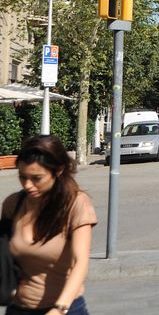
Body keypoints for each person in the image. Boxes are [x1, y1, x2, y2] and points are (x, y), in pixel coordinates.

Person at [4, 135, 97, 315]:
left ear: (58, 171)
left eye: (36, 178)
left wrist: (59, 308)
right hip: (18, 309)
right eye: (22, 177)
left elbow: (81, 262)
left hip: (64, 308)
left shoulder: (76, 204)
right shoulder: (13, 204)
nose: (28, 185)